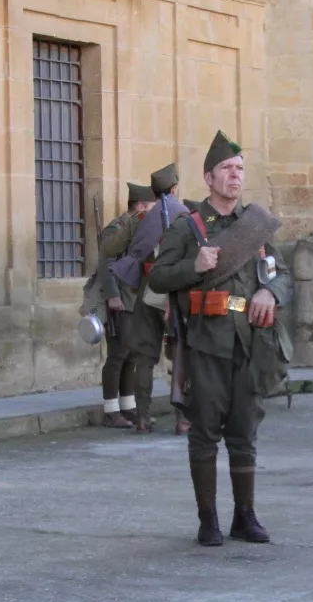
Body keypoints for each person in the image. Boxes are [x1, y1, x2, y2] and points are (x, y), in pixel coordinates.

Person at [149, 131, 292, 546]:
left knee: (245, 430)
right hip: (206, 342)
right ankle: (208, 519)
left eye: (240, 168)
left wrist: (270, 291)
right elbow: (158, 278)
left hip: (252, 342)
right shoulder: (188, 227)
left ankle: (245, 517)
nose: (235, 175)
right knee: (205, 430)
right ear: (209, 178)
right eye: (227, 169)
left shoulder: (256, 226)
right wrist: (194, 266)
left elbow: (281, 274)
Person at [113, 164, 189, 433]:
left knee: (145, 356)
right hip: (175, 288)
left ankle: (143, 417)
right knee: (182, 353)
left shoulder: (145, 219)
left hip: (148, 288)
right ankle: (183, 418)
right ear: (175, 189)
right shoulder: (183, 214)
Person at [90, 182, 152, 427]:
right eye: (150, 207)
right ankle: (110, 410)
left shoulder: (138, 229)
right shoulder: (117, 228)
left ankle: (128, 408)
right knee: (117, 355)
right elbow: (104, 265)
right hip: (120, 299)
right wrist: (113, 295)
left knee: (131, 354)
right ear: (140, 206)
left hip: (135, 298)